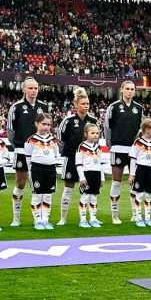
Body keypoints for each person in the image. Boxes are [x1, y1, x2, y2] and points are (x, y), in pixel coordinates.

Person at [103, 80, 144, 225]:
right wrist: (110, 144)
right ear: (121, 90)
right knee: (116, 182)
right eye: (127, 88)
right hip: (118, 148)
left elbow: (141, 129)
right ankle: (115, 215)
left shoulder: (139, 108)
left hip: (133, 149)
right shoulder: (113, 107)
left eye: (132, 89)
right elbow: (107, 127)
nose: (130, 91)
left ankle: (135, 213)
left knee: (135, 182)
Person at [57, 88, 99, 225]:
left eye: (87, 104)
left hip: (88, 161)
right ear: (76, 104)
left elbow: (96, 139)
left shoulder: (93, 120)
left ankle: (90, 218)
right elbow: (60, 140)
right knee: (68, 189)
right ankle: (63, 218)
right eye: (83, 104)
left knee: (88, 190)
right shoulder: (68, 121)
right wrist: (68, 153)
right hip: (71, 158)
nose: (86, 106)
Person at [6, 77, 42, 226]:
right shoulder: (16, 107)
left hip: (39, 151)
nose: (33, 91)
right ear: (24, 89)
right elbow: (10, 131)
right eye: (30, 88)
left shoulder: (43, 106)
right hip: (21, 150)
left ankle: (38, 218)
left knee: (38, 184)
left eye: (36, 88)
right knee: (20, 183)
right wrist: (18, 145)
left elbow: (47, 127)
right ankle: (16, 218)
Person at [24, 112, 62, 230]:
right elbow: (28, 157)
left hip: (50, 169)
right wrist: (30, 171)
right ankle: (37, 220)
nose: (46, 127)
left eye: (48, 125)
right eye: (43, 124)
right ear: (36, 124)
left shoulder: (53, 140)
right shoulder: (31, 139)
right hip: (37, 169)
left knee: (47, 195)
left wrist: (54, 166)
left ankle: (45, 219)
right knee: (37, 195)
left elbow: (56, 154)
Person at [127, 119, 151, 227]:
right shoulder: (137, 142)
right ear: (147, 130)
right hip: (140, 170)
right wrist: (132, 174)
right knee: (139, 194)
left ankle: (147, 218)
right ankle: (138, 218)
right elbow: (133, 159)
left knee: (148, 195)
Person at [74, 123, 105, 228]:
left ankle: (93, 218)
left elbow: (100, 163)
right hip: (87, 174)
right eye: (92, 133)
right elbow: (78, 164)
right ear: (86, 134)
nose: (95, 135)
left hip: (96, 174)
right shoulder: (82, 146)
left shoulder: (98, 147)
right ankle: (83, 220)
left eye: (97, 133)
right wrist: (82, 177)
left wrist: (102, 177)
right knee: (85, 197)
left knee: (94, 197)